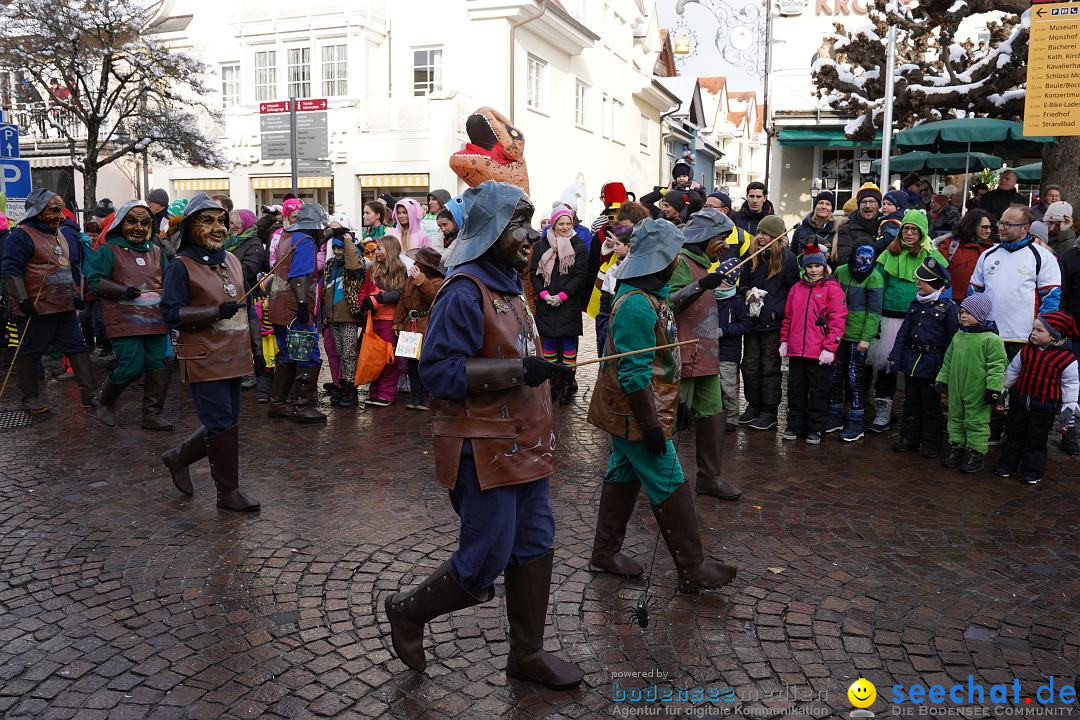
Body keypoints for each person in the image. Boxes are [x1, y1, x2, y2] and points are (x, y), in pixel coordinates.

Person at [385, 180, 583, 691]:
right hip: (483, 449)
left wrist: (542, 371)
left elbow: (515, 356)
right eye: (518, 223)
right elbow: (439, 372)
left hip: (526, 446)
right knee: (485, 558)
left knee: (535, 543)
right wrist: (518, 370)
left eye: (530, 221)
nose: (530, 233)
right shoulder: (463, 289)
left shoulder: (509, 287)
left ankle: (527, 654)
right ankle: (406, 612)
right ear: (491, 229)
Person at [587, 217, 737, 592]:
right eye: (672, 255)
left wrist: (671, 406)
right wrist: (652, 426)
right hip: (632, 415)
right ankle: (693, 567)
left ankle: (605, 553)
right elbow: (634, 375)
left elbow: (662, 342)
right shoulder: (636, 305)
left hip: (637, 412)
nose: (676, 261)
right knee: (670, 481)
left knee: (622, 474)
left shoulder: (651, 296)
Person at [159, 193, 263, 512]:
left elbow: (247, 311)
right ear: (191, 227)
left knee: (227, 422)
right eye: (208, 221)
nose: (218, 227)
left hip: (234, 354)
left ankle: (178, 457)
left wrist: (257, 353)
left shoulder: (232, 260)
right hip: (204, 356)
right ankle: (227, 493)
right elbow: (171, 314)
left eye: (221, 221)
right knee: (219, 422)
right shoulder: (181, 266)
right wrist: (214, 312)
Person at [0, 188, 106, 418]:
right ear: (38, 211)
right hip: (37, 309)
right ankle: (29, 397)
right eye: (54, 210)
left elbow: (66, 269)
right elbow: (11, 271)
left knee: (78, 347)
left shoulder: (60, 234)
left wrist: (75, 293)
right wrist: (24, 299)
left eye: (61, 210)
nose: (61, 215)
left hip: (64, 306)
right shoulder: (21, 235)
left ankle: (89, 394)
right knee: (30, 351)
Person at [668, 208, 742, 499]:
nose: (724, 244)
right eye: (720, 238)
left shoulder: (705, 265)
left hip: (707, 356)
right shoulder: (681, 262)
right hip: (683, 356)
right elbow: (668, 304)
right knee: (671, 417)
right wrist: (701, 285)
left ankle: (709, 478)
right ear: (703, 237)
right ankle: (663, 480)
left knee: (713, 413)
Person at [86, 200, 174, 430]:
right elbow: (94, 280)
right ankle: (104, 402)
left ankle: (152, 415)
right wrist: (123, 290)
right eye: (132, 221)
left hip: (155, 319)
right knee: (131, 366)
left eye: (145, 223)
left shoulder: (156, 251)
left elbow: (168, 280)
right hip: (124, 319)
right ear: (120, 223)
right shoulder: (108, 249)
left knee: (159, 364)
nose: (139, 227)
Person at [866, 210, 949, 434]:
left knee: (917, 370)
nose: (910, 233)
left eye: (914, 229)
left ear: (922, 233)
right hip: (889, 316)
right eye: (906, 229)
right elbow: (876, 285)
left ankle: (916, 417)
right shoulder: (887, 254)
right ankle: (883, 413)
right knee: (886, 368)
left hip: (920, 318)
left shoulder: (931, 255)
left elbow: (945, 283)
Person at [995, 311, 1079, 485]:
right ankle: (1007, 465)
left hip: (1045, 406)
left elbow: (1070, 383)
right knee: (1014, 434)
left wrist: (1069, 404)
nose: (1034, 333)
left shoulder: (1066, 359)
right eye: (1033, 329)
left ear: (1055, 334)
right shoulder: (1026, 351)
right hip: (1020, 400)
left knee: (1036, 439)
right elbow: (1013, 370)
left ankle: (1032, 471)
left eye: (1040, 331)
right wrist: (1004, 387)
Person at [888, 257, 958, 458]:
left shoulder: (948, 308)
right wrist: (896, 356)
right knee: (911, 403)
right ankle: (909, 438)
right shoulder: (916, 304)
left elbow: (951, 340)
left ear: (935, 283)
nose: (918, 284)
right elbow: (904, 332)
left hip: (932, 363)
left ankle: (931, 443)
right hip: (912, 361)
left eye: (923, 281)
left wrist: (945, 368)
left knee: (931, 407)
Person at [779, 243, 847, 444]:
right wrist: (784, 340)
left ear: (823, 267)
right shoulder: (796, 289)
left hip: (818, 352)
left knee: (818, 391)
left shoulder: (832, 289)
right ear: (805, 268)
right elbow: (788, 318)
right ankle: (794, 426)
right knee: (796, 391)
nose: (813, 270)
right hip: (797, 351)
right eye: (810, 267)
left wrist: (829, 348)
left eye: (817, 266)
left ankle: (816, 429)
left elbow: (837, 319)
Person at [969, 206, 1061, 357]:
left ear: (1025, 228)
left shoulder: (1043, 257)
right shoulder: (988, 255)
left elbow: (1051, 298)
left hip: (1024, 339)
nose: (1001, 228)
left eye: (1008, 224)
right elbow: (974, 293)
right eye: (1001, 223)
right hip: (987, 335)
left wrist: (1040, 332)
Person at [266, 204, 328, 424]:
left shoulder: (287, 236)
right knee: (307, 355)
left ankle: (278, 403)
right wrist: (303, 306)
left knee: (287, 353)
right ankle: (302, 406)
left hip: (278, 305)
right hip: (294, 308)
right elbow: (299, 276)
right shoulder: (306, 241)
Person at [739, 215, 799, 431]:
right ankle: (753, 404)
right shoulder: (752, 255)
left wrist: (776, 311)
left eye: (766, 234)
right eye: (760, 233)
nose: (761, 237)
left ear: (776, 236)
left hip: (773, 323)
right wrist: (747, 293)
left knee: (769, 366)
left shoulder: (788, 259)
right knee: (750, 365)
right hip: (753, 320)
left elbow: (793, 291)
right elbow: (743, 282)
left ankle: (769, 410)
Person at [936, 293, 1006, 473]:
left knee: (976, 421)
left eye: (969, 312)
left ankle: (976, 452)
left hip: (977, 390)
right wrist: (942, 379)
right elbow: (948, 360)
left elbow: (997, 367)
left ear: (981, 315)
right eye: (962, 312)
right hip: (956, 387)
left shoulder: (991, 340)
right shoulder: (959, 336)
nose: (963, 316)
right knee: (955, 417)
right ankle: (957, 447)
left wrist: (993, 388)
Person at [529, 207, 588, 404]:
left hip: (568, 305)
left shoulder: (578, 246)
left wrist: (562, 296)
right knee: (549, 348)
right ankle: (552, 385)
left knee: (569, 347)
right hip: (546, 305)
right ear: (553, 224)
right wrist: (544, 295)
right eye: (561, 223)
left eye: (568, 224)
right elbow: (534, 274)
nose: (564, 227)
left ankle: (566, 387)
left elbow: (580, 276)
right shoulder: (541, 245)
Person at [828, 242, 883, 442]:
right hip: (837, 333)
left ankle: (856, 421)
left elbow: (874, 312)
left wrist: (865, 338)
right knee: (835, 375)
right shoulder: (841, 272)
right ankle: (834, 417)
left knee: (854, 377)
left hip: (857, 336)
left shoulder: (875, 278)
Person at [588, 202, 646, 355]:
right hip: (611, 303)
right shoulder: (617, 249)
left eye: (627, 226)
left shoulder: (645, 252)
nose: (623, 230)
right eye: (621, 226)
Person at [394, 247, 445, 410]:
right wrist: (397, 323)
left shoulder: (437, 281)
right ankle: (415, 397)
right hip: (411, 326)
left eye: (419, 262)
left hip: (425, 325)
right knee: (411, 364)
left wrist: (421, 280)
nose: (415, 264)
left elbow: (431, 296)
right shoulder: (409, 280)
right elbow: (402, 302)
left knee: (424, 362)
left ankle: (426, 397)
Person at [358, 236, 407, 407]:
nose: (376, 252)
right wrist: (364, 302)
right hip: (373, 320)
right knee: (374, 357)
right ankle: (375, 392)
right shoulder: (372, 270)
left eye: (380, 249)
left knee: (388, 357)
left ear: (390, 250)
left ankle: (386, 393)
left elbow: (400, 293)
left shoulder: (400, 270)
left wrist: (379, 298)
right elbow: (363, 291)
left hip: (389, 321)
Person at [322, 218, 365, 407]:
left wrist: (348, 241)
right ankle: (342, 385)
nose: (338, 252)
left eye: (341, 248)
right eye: (336, 248)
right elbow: (325, 290)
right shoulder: (331, 265)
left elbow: (354, 265)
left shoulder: (353, 263)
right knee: (340, 353)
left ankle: (351, 389)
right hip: (333, 317)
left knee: (349, 354)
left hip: (348, 316)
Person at [714, 257, 751, 431]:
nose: (717, 284)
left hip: (728, 351)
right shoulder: (711, 297)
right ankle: (714, 415)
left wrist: (725, 330)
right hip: (710, 350)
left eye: (721, 281)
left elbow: (745, 324)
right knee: (712, 385)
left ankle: (731, 417)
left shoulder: (737, 301)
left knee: (727, 386)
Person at [935, 209, 994, 300]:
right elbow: (936, 270)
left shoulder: (991, 249)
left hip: (977, 304)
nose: (988, 231)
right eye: (984, 227)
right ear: (972, 226)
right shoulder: (950, 245)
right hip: (950, 301)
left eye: (990, 227)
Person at [835, 183, 883, 263]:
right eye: (863, 202)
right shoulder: (847, 228)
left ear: (879, 205)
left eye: (872, 201)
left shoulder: (886, 225)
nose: (867, 205)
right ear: (858, 205)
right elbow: (844, 258)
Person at [791, 192, 836, 257]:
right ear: (815, 206)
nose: (823, 207)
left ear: (832, 209)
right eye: (820, 203)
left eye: (828, 204)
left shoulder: (837, 230)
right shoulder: (800, 230)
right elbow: (793, 254)